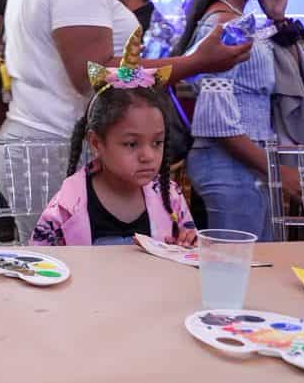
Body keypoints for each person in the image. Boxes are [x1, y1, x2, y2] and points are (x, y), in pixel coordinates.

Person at [0, 0, 250, 241]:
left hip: (36, 142)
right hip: (53, 145)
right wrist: (196, 61)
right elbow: (94, 75)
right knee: (75, 281)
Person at [175, 0, 304, 241]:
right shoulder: (223, 26)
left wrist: (277, 18)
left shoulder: (244, 21)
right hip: (228, 167)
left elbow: (292, 81)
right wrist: (278, 172)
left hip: (248, 166)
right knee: (236, 269)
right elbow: (216, 122)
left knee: (255, 269)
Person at [30, 29, 196, 247]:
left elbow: (190, 248)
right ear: (97, 143)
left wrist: (189, 243)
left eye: (157, 142)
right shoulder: (66, 206)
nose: (148, 156)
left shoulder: (169, 198)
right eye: (131, 144)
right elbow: (43, 262)